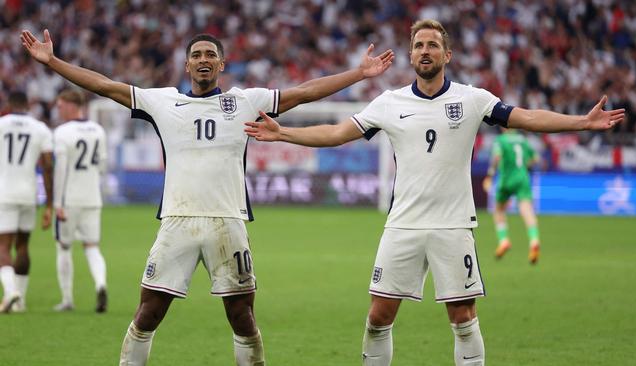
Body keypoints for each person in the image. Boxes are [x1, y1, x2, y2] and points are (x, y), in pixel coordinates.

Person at [244, 19, 625, 365]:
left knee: (463, 317)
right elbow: (336, 133)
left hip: (453, 224)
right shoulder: (390, 103)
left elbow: (525, 118)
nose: (425, 51)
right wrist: (284, 133)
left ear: (447, 54)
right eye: (419, 45)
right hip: (403, 225)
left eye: (432, 45)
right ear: (411, 55)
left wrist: (581, 122)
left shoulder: (473, 98)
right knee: (379, 316)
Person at [21, 29, 393, 365]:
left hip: (227, 223)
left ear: (222, 64)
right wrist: (52, 61)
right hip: (177, 223)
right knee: (148, 311)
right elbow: (105, 86)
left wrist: (358, 74)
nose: (203, 60)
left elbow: (303, 92)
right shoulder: (163, 102)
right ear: (186, 65)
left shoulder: (247, 100)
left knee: (242, 315)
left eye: (210, 55)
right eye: (197, 55)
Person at [51, 89, 108, 312]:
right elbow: (103, 166)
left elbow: (60, 171)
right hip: (92, 198)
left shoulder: (62, 132)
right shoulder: (98, 130)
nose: (58, 110)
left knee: (64, 247)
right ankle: (101, 284)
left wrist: (57, 203)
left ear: (70, 105)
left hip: (69, 199)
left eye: (60, 105)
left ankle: (67, 299)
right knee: (92, 246)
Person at [0, 91, 53, 313]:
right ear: (28, 105)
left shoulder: (1, 124)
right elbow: (48, 165)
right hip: (29, 193)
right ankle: (20, 302)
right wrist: (49, 203)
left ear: (10, 104)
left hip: (4, 191)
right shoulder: (40, 128)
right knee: (23, 245)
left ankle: (11, 291)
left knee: (3, 246)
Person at [482, 128, 541, 264]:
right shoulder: (522, 140)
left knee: (499, 210)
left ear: (503, 127)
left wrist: (490, 176)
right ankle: (534, 240)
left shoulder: (500, 140)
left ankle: (503, 240)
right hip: (522, 178)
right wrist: (521, 167)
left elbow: (496, 158)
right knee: (526, 210)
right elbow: (535, 158)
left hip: (506, 179)